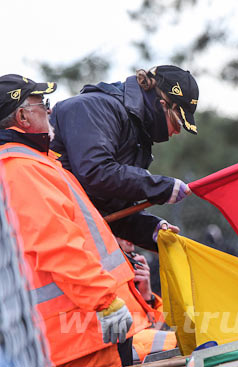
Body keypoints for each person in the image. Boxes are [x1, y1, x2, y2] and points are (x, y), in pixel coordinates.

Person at [0, 74, 158, 367]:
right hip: (79, 336)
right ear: (22, 116)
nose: (49, 110)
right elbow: (56, 244)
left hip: (83, 332)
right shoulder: (20, 169)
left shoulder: (32, 164)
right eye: (41, 103)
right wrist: (105, 301)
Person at [50, 65, 199, 251]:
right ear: (163, 106)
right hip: (48, 236)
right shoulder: (94, 107)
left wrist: (151, 229)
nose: (177, 132)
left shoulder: (137, 131)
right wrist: (160, 186)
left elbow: (110, 208)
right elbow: (96, 173)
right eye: (178, 123)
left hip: (72, 239)